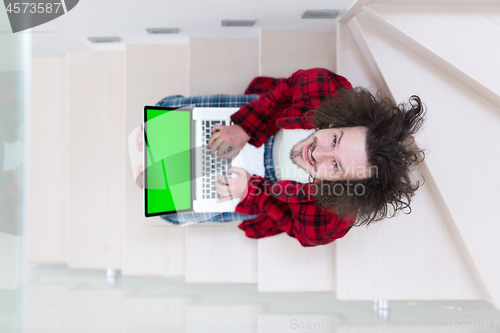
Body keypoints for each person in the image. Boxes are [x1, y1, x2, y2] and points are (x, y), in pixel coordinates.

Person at [151, 68, 426, 247]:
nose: (317, 153)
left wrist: (251, 192)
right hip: (266, 128)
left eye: (336, 165)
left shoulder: (331, 220)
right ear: (339, 122)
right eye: (334, 140)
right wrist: (245, 126)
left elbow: (297, 228)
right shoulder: (324, 89)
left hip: (262, 187)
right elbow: (289, 86)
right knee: (164, 114)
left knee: (171, 212)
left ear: (344, 185)